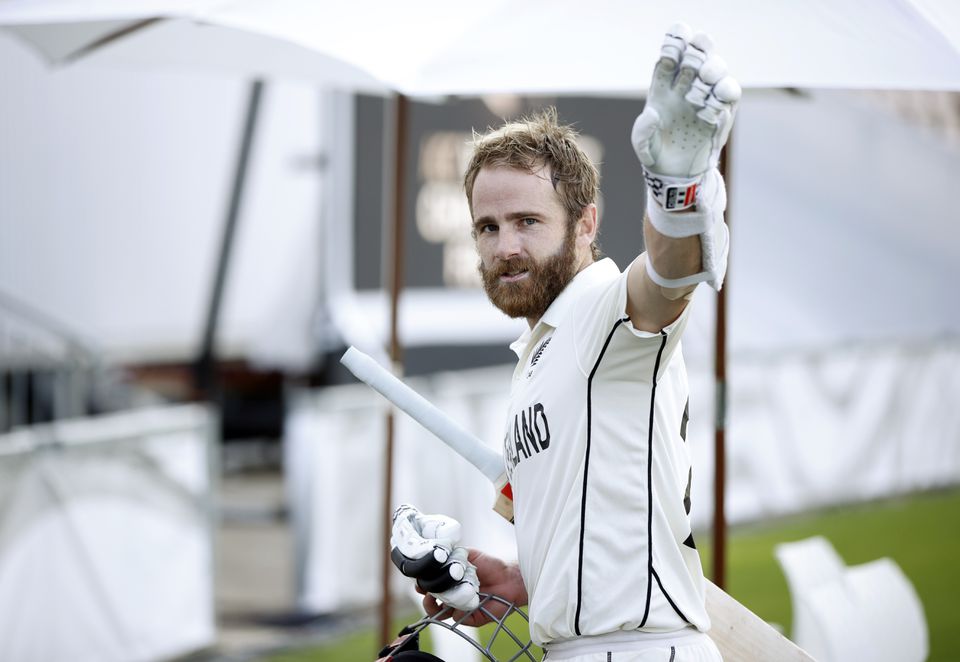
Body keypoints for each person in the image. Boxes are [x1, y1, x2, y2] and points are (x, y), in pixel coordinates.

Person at [390, 23, 740, 662]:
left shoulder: (596, 310)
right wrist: (519, 584)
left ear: (586, 224)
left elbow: (668, 276)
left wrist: (678, 189)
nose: (505, 247)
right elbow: (595, 541)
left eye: (528, 221)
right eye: (488, 227)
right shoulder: (539, 355)